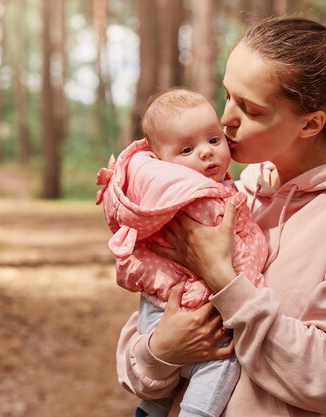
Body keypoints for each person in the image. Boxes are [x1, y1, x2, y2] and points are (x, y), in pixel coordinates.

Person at [115, 16, 326, 417]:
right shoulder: (235, 196)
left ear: (311, 123)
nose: (226, 120)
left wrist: (224, 278)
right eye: (228, 96)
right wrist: (161, 351)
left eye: (251, 109)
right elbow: (141, 358)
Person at [96, 88, 268, 417]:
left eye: (213, 140)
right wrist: (254, 287)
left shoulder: (157, 194)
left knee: (163, 385)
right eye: (187, 148)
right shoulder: (199, 199)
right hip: (193, 306)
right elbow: (241, 252)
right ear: (160, 161)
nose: (206, 153)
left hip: (159, 307)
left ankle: (150, 408)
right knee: (223, 362)